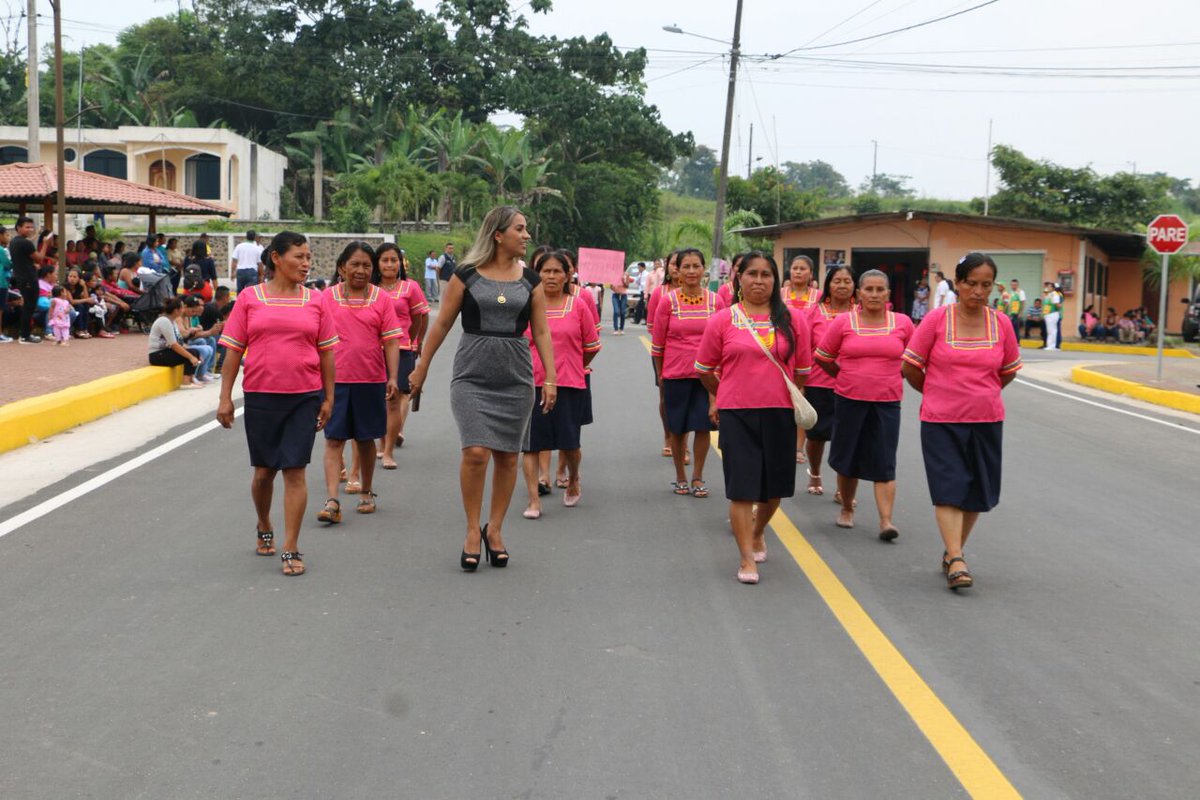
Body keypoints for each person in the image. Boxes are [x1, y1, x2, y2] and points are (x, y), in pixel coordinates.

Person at [408, 206, 555, 572]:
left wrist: (550, 378)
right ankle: (473, 528)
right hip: (471, 376)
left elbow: (540, 331)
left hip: (516, 378)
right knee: (475, 452)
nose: (526, 235)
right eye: (520, 229)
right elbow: (442, 324)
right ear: (498, 234)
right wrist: (421, 367)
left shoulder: (531, 281)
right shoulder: (466, 275)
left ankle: (496, 529)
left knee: (507, 456)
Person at [217, 232, 339, 577]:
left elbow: (327, 353)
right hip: (261, 396)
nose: (306, 263)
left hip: (304, 397)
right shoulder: (249, 298)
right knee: (264, 472)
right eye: (299, 256)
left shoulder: (316, 300)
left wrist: (329, 397)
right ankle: (263, 521)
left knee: (295, 471)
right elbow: (233, 351)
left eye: (308, 257)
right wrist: (225, 397)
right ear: (276, 258)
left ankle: (291, 545)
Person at [901, 253, 1022, 591]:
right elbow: (910, 367)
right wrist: (937, 393)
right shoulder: (936, 320)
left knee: (977, 491)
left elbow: (1007, 371)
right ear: (958, 283)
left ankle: (953, 551)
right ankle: (956, 557)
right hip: (941, 419)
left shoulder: (1002, 323)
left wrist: (982, 394)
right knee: (948, 487)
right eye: (971, 283)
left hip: (987, 420)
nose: (978, 291)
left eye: (986, 285)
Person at [695, 251, 812, 584]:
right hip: (737, 414)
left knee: (775, 488)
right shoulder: (722, 320)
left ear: (775, 281)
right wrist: (725, 393)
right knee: (742, 487)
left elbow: (802, 371)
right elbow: (703, 368)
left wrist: (782, 394)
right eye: (752, 274)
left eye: (766, 274)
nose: (759, 280)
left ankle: (758, 530)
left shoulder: (794, 320)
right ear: (739, 279)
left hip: (780, 412)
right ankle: (746, 557)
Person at [814, 270, 914, 539]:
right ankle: (847, 508)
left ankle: (886, 521)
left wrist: (894, 376)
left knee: (885, 460)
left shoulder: (903, 323)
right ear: (858, 293)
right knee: (848, 456)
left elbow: (914, 359)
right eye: (868, 289)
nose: (874, 294)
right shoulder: (843, 322)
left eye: (880, 289)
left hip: (887, 403)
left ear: (888, 294)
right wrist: (843, 376)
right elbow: (822, 356)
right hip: (849, 400)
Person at [317, 242, 403, 524]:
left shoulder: (381, 299)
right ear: (342, 267)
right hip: (335, 382)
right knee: (334, 440)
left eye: (366, 265)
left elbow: (392, 341)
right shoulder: (326, 298)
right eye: (354, 264)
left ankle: (366, 491)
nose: (361, 270)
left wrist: (392, 377)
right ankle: (332, 500)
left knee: (366, 440)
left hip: (370, 379)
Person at [520, 250, 601, 519]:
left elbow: (592, 346)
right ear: (537, 275)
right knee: (530, 444)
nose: (551, 276)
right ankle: (533, 500)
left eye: (557, 271)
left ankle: (574, 477)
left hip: (569, 384)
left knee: (570, 444)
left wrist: (573, 364)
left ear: (568, 276)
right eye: (546, 271)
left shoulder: (578, 306)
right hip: (532, 383)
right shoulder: (527, 307)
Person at [652, 248, 726, 498]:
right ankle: (680, 476)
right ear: (677, 270)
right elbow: (658, 344)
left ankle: (697, 476)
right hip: (675, 374)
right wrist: (661, 375)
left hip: (707, 376)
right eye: (686, 266)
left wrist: (719, 376)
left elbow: (723, 342)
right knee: (678, 428)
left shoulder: (716, 301)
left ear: (704, 270)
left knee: (703, 426)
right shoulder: (668, 301)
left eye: (696, 266)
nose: (692, 271)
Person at [375, 242, 429, 469]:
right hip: (373, 351)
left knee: (395, 399)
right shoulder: (370, 288)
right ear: (377, 263)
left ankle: (388, 451)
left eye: (393, 260)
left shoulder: (410, 288)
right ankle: (381, 441)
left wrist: (414, 340)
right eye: (385, 260)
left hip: (402, 349)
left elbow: (420, 317)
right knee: (377, 400)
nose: (389, 264)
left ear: (400, 263)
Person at [804, 264, 856, 495]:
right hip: (818, 383)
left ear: (854, 286)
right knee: (817, 436)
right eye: (837, 281)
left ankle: (842, 487)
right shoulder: (814, 312)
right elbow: (803, 348)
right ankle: (815, 473)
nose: (842, 285)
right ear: (828, 285)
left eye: (847, 281)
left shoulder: (862, 312)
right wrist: (800, 383)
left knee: (847, 438)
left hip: (852, 386)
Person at [646, 250, 684, 460]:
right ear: (667, 267)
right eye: (674, 263)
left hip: (693, 356)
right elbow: (652, 327)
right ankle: (669, 436)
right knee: (666, 396)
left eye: (681, 264)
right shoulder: (659, 294)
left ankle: (683, 443)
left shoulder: (701, 295)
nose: (677, 268)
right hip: (666, 354)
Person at [785, 254, 821, 465]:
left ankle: (798, 447)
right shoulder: (779, 294)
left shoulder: (820, 297)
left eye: (802, 268)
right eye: (795, 268)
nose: (798, 272)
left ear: (811, 274)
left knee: (801, 399)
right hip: (783, 355)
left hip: (808, 354)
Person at [148, 297, 205, 388]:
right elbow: (174, 344)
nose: (183, 310)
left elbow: (180, 343)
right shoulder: (164, 321)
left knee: (195, 352)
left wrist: (196, 355)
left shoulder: (172, 321)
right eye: (181, 308)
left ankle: (191, 379)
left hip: (165, 352)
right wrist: (191, 357)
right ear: (176, 311)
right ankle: (186, 382)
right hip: (157, 355)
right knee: (191, 355)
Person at [9, 217, 45, 344]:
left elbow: (24, 259)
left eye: (31, 227)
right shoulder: (25, 243)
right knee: (29, 307)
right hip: (29, 278)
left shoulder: (14, 241)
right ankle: (25, 336)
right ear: (18, 228)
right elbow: (39, 258)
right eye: (27, 227)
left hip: (21, 277)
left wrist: (32, 265)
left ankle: (25, 334)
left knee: (27, 307)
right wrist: (45, 243)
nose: (30, 229)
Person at [608, 266, 630, 335]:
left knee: (622, 312)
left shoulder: (626, 274)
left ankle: (621, 328)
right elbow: (610, 286)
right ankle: (616, 329)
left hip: (623, 295)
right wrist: (615, 290)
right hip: (615, 295)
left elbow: (627, 286)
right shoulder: (613, 274)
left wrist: (623, 280)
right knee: (616, 311)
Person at [1041, 281, 1063, 350]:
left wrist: (1058, 308)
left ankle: (1051, 345)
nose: (1048, 288)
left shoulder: (1054, 294)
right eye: (1047, 287)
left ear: (1053, 288)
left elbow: (1057, 304)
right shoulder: (1049, 294)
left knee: (1051, 330)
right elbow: (1043, 298)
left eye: (1049, 287)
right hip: (1048, 314)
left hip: (1052, 314)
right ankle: (1051, 345)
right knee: (1051, 330)